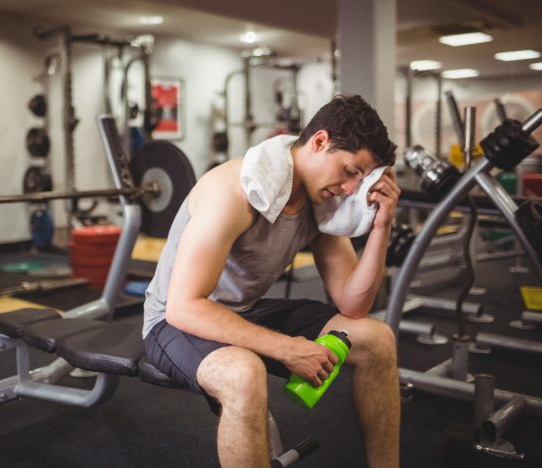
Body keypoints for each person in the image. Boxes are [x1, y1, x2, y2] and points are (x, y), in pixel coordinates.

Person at [142, 94, 401, 468]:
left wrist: (382, 225)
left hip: (243, 312)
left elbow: (353, 304)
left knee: (377, 340)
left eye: (360, 179)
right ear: (319, 142)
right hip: (173, 321)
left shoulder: (320, 203)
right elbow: (185, 307)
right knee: (243, 374)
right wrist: (287, 349)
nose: (350, 189)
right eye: (349, 170)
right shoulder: (233, 190)